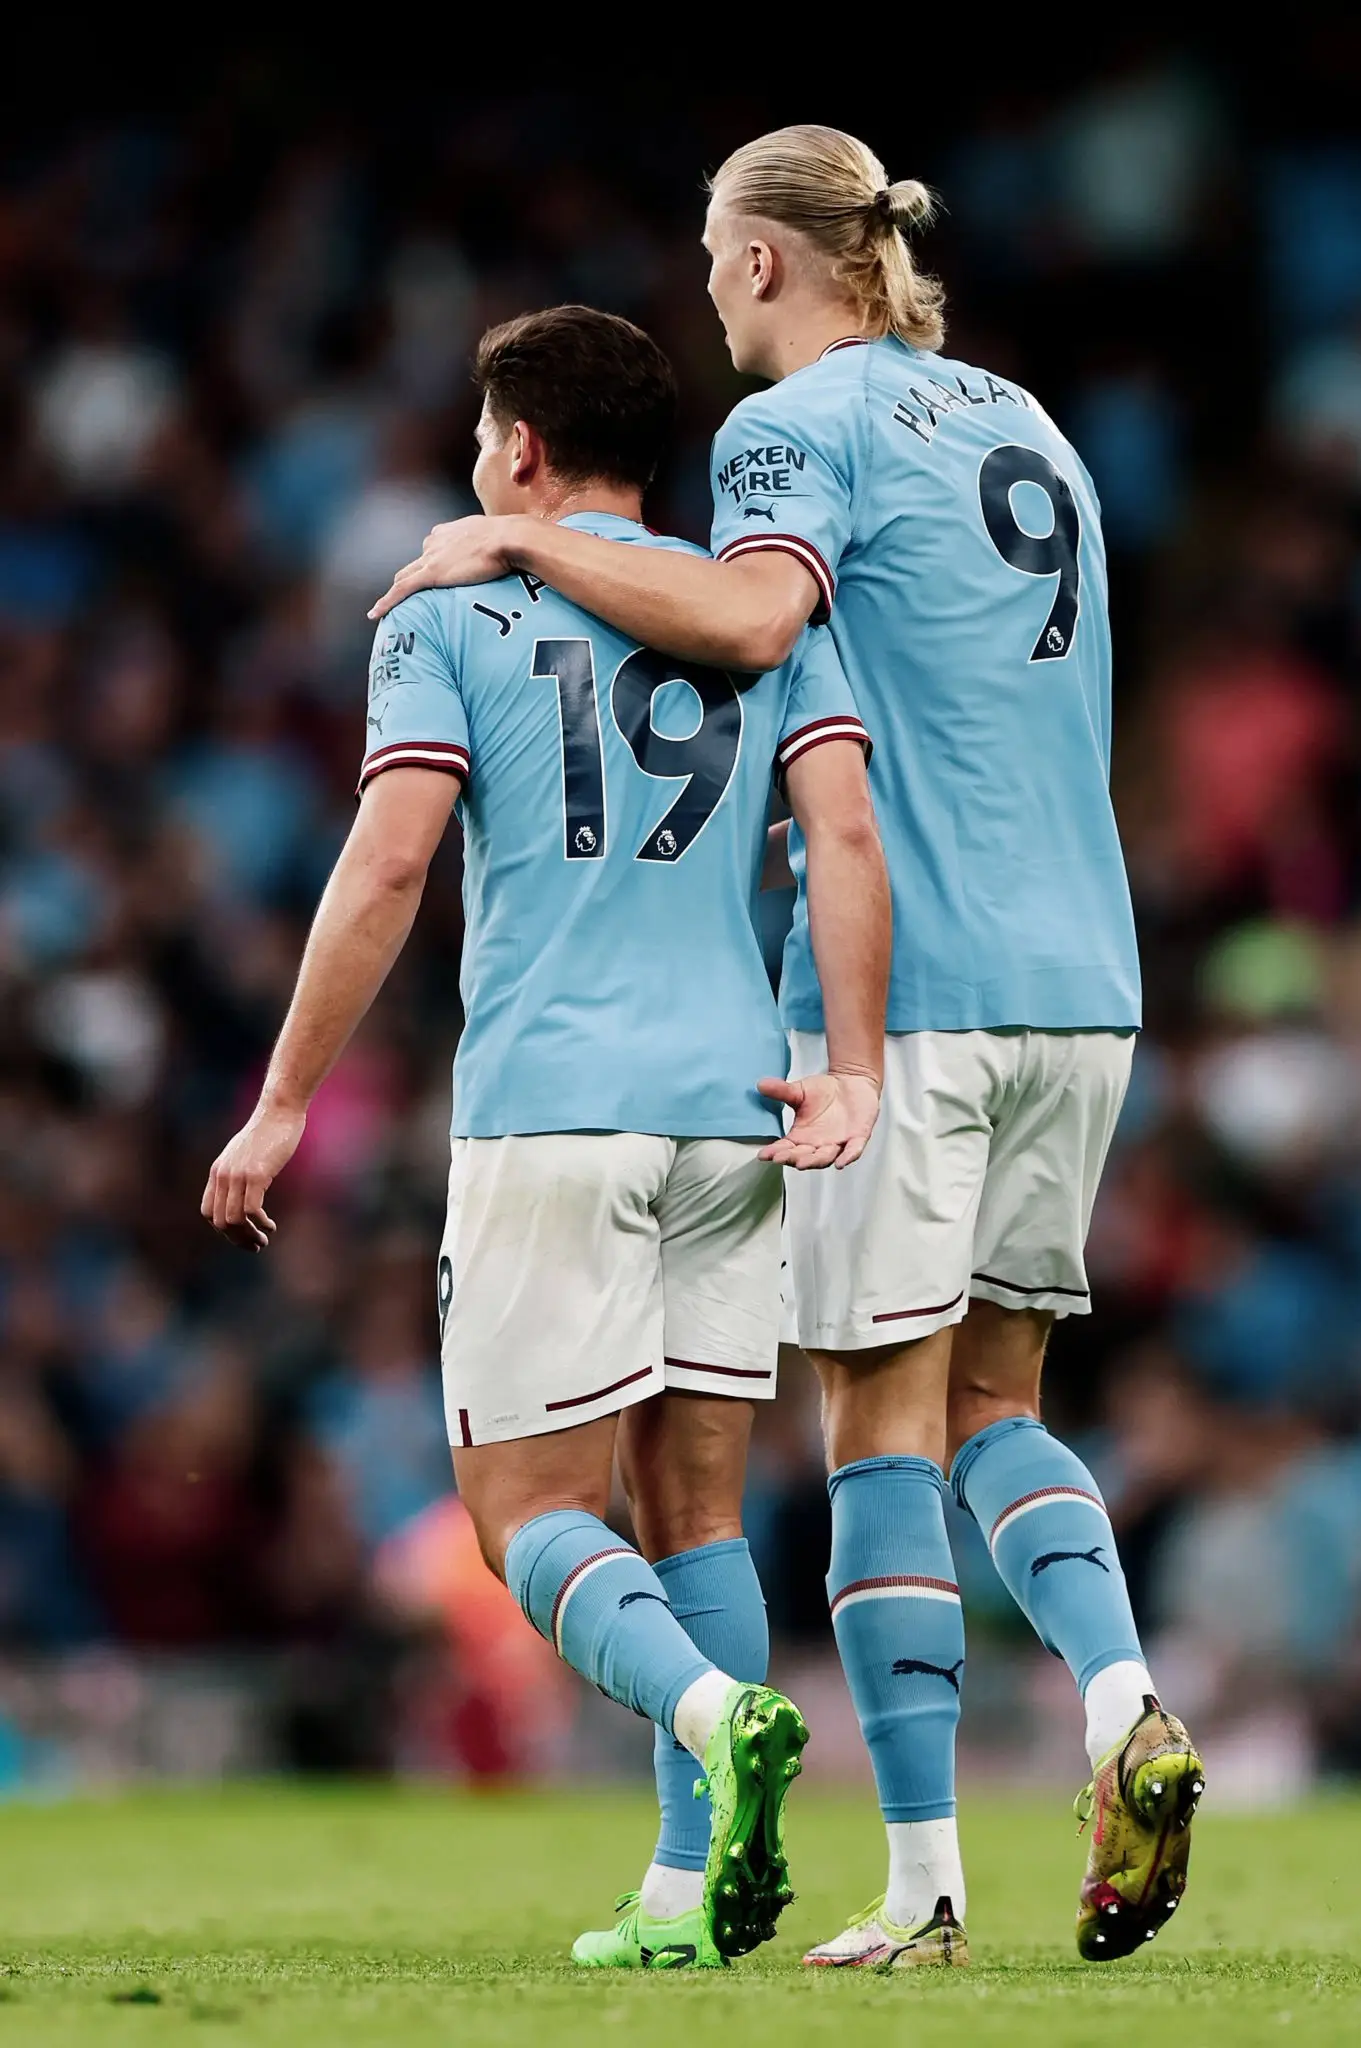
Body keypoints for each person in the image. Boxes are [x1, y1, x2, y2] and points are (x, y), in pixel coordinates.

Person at [369, 127, 1204, 1971]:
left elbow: (751, 615)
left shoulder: (784, 430)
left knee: (880, 1433)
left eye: (706, 254)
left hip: (920, 983)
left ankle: (918, 1888)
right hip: (1090, 967)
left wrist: (517, 535)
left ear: (758, 260)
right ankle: (1118, 1695)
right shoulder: (1026, 426)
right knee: (1004, 1405)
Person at [205, 303, 890, 1968]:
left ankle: (720, 1714)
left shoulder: (452, 605)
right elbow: (846, 834)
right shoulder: (759, 612)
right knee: (698, 1512)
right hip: (740, 1110)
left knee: (520, 1515)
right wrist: (849, 1059)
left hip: (554, 1106)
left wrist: (285, 1098)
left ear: (516, 447)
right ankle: (681, 1891)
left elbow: (383, 869)